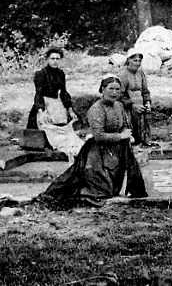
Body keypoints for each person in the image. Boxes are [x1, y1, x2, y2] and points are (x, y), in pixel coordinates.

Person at [38, 74, 147, 207]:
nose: (114, 93)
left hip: (115, 152)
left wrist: (127, 134)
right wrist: (120, 136)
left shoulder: (119, 105)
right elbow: (99, 136)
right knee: (99, 191)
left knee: (114, 187)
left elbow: (124, 124)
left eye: (117, 89)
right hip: (97, 154)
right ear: (102, 89)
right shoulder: (96, 109)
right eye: (110, 89)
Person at [27, 47, 76, 130]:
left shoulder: (61, 74)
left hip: (56, 105)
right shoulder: (40, 74)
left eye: (57, 59)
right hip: (43, 106)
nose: (55, 61)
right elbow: (39, 94)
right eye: (52, 58)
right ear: (47, 59)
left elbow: (63, 92)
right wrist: (41, 112)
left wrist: (70, 111)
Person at [119, 48, 153, 146]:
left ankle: (143, 141)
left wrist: (147, 102)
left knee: (143, 128)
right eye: (135, 60)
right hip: (128, 107)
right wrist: (132, 105)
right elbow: (120, 95)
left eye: (139, 61)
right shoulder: (123, 74)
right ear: (128, 60)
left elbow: (145, 91)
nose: (137, 63)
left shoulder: (141, 73)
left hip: (141, 105)